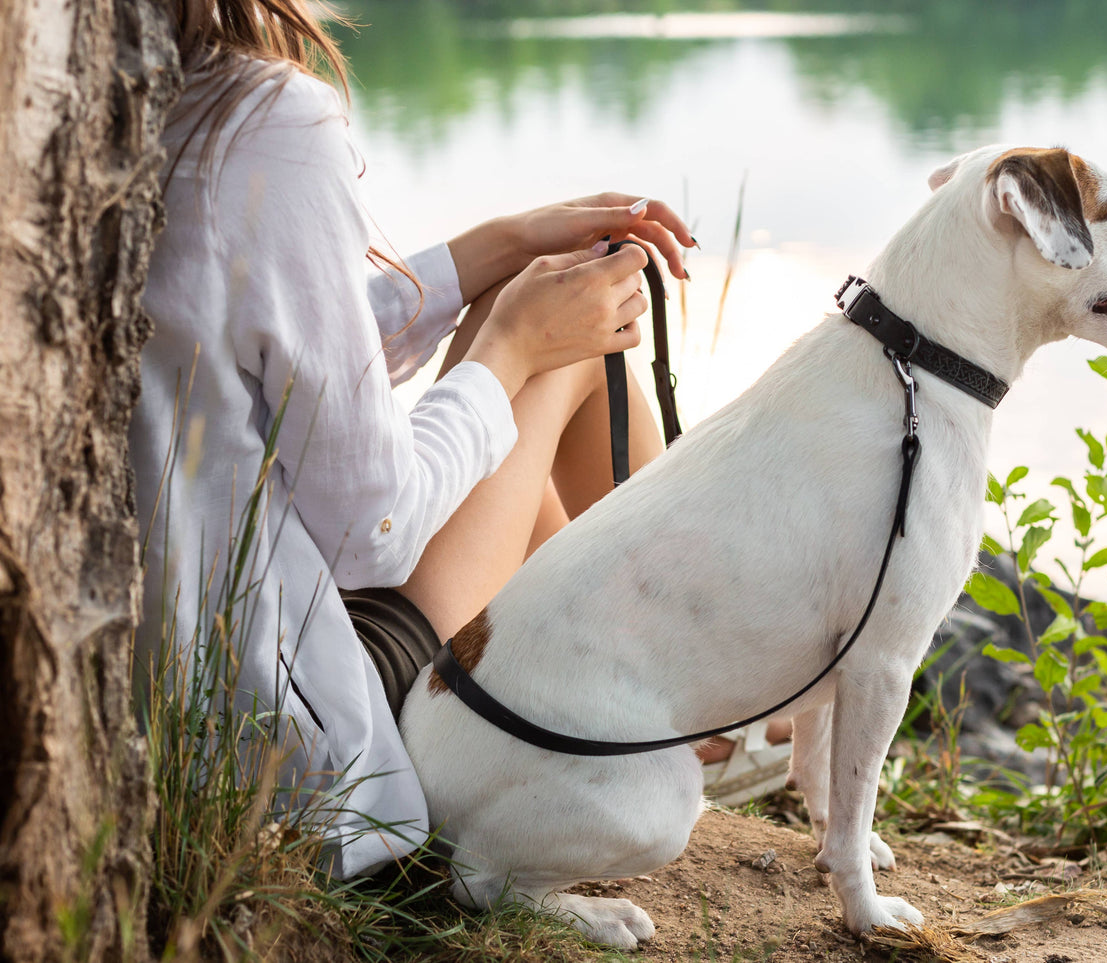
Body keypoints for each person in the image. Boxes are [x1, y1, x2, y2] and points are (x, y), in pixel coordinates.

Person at [133, 0, 698, 877]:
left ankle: (621, 725)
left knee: (535, 353)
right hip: (301, 746)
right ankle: (698, 709)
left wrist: (494, 248)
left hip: (162, 714)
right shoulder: (255, 116)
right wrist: (511, 346)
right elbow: (375, 533)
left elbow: (250, 351)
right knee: (566, 368)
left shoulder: (92, 102)